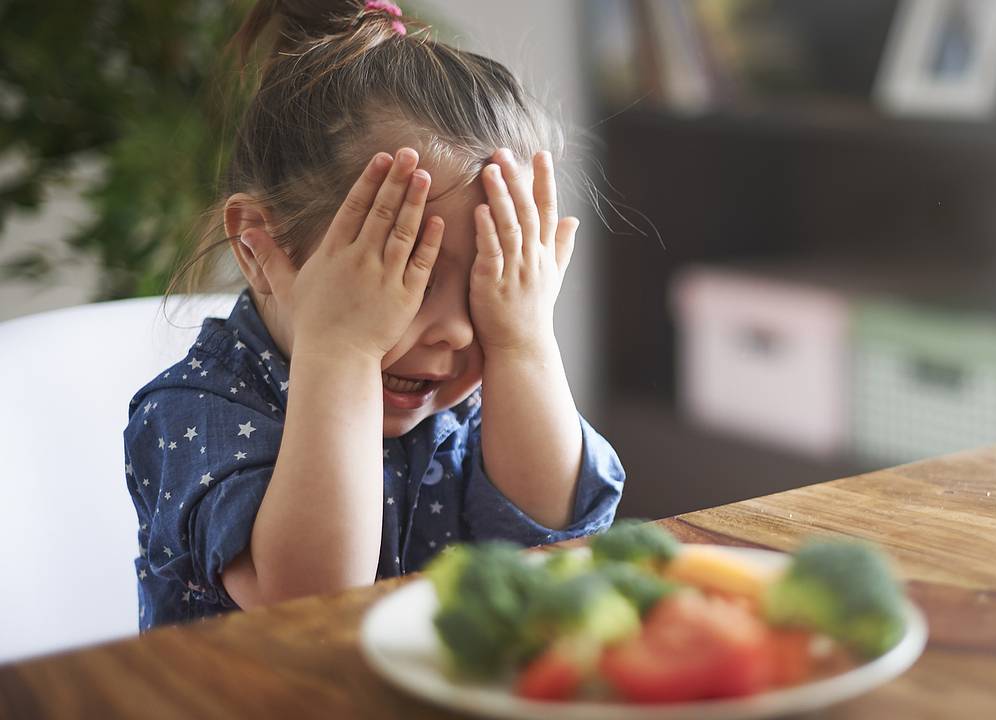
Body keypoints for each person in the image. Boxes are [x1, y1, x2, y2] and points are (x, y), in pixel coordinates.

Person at [123, 0, 624, 629]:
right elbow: (312, 602)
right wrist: (342, 353)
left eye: (485, 285)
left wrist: (523, 342)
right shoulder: (193, 411)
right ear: (261, 246)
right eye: (402, 277)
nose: (457, 329)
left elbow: (555, 537)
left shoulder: (469, 392)